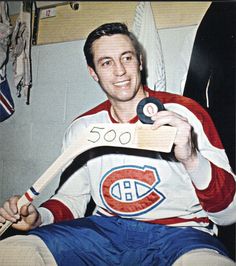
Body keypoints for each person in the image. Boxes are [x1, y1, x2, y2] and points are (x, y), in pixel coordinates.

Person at [0, 22, 235, 266]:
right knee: (12, 253)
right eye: (106, 62)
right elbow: (71, 200)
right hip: (103, 234)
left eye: (126, 58)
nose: (120, 71)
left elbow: (229, 214)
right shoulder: (83, 128)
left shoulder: (185, 114)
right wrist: (39, 217)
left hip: (181, 235)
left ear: (140, 61)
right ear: (93, 72)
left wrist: (191, 158)